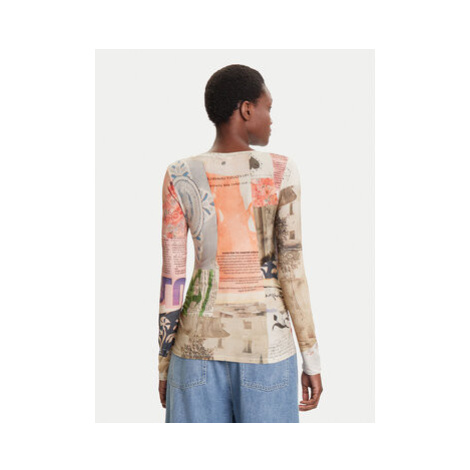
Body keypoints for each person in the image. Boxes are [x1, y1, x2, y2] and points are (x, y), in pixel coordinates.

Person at [157, 64, 323, 423]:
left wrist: (164, 362)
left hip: (194, 353)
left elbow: (173, 277)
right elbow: (291, 271)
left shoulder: (179, 173)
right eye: (268, 107)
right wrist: (311, 358)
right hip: (268, 353)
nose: (271, 119)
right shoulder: (281, 170)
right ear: (247, 109)